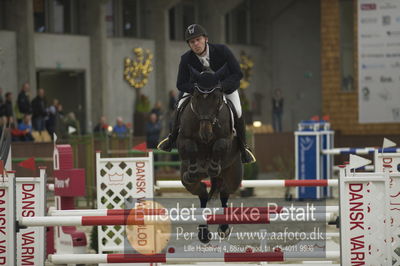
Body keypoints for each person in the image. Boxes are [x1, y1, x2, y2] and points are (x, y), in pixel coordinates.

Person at [157, 24, 255, 164]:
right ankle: (172, 138)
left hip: (224, 88)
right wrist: (196, 88)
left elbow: (237, 74)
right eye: (192, 42)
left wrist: (222, 86)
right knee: (179, 106)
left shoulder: (222, 50)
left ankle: (243, 147)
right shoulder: (186, 59)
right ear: (189, 45)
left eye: (198, 39)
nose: (196, 44)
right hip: (198, 91)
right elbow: (181, 84)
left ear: (206, 39)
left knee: (238, 111)